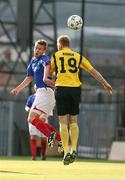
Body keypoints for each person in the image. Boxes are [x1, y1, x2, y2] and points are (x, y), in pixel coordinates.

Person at [44, 35, 113, 165]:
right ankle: (74, 149)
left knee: (63, 122)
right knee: (73, 120)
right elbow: (93, 71)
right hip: (75, 90)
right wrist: (105, 83)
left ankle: (66, 152)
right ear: (68, 44)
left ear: (60, 44)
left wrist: (50, 76)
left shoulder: (56, 56)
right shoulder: (77, 56)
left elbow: (48, 73)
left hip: (61, 88)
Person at [10, 39, 58, 149]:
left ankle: (51, 135)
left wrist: (45, 77)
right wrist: (17, 89)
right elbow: (29, 78)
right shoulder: (33, 61)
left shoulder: (44, 58)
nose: (37, 50)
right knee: (36, 121)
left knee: (31, 119)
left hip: (45, 92)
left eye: (40, 49)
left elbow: (46, 64)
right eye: (36, 48)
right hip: (43, 94)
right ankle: (57, 138)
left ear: (44, 51)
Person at [25, 87, 63, 160]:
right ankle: (34, 156)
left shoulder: (44, 96)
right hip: (40, 112)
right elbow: (27, 107)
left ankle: (43, 155)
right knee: (34, 135)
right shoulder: (32, 97)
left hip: (41, 112)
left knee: (43, 136)